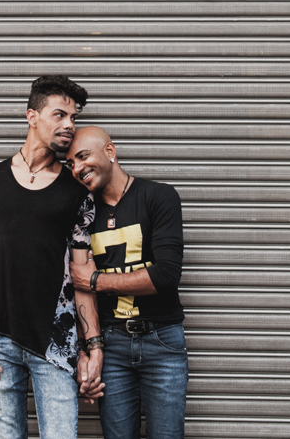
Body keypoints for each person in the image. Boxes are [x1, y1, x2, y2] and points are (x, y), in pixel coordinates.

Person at [0, 75, 105, 439]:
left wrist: (92, 346)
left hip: (55, 342)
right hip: (0, 336)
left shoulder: (77, 192)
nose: (69, 125)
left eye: (73, 118)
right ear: (32, 116)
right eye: (59, 115)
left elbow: (82, 271)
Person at [66, 126, 187, 439]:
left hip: (162, 340)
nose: (77, 168)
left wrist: (95, 280)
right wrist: (86, 351)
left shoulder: (158, 196)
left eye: (83, 157)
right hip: (111, 346)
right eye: (71, 164)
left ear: (110, 151)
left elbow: (166, 275)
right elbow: (74, 290)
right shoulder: (82, 215)